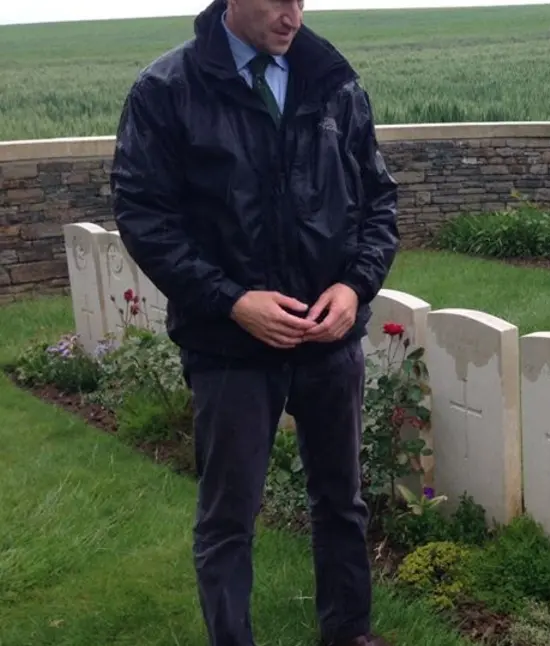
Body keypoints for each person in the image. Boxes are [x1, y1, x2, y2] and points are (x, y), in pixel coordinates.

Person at [109, 0, 399, 644]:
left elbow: (378, 200)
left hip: (329, 339)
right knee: (229, 519)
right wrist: (234, 301)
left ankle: (349, 634)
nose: (293, 15)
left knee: (341, 503)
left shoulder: (332, 81)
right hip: (230, 347)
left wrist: (354, 288)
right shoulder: (167, 91)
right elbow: (145, 217)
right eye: (277, 0)